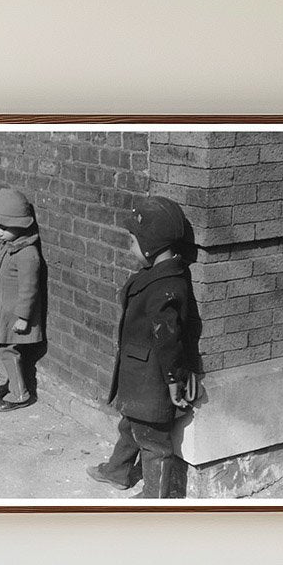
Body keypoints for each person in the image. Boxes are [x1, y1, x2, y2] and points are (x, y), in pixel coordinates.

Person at [87, 196, 202, 498]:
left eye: (133, 240)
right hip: (140, 378)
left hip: (153, 381)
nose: (129, 246)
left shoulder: (166, 287)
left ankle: (155, 498)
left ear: (151, 243)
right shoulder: (160, 277)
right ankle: (118, 471)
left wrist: (174, 381)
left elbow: (169, 341)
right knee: (130, 427)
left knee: (153, 442)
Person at [0, 188, 45, 412]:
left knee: (8, 351)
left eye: (5, 228)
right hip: (5, 312)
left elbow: (29, 289)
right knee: (6, 350)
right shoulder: (10, 247)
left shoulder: (27, 254)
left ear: (22, 225)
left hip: (15, 315)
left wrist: (23, 317)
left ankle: (19, 393)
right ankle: (12, 384)